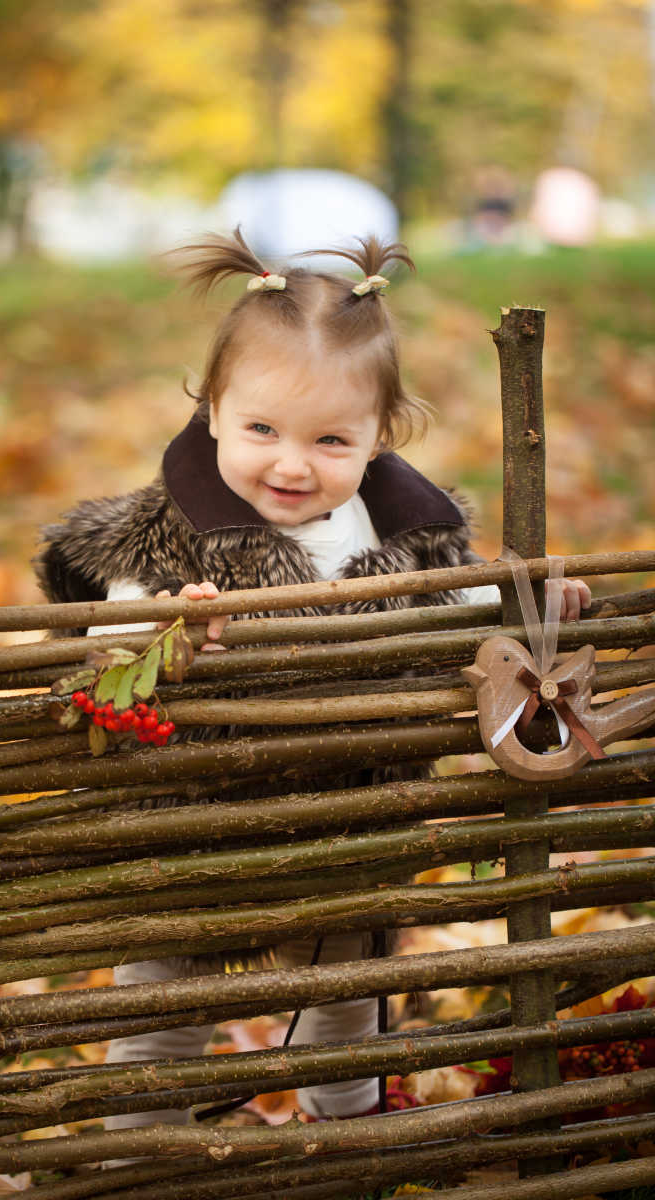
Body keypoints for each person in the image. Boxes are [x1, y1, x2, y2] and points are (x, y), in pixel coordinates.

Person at [36, 229, 590, 1131]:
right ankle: (132, 1147)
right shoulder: (162, 533)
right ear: (211, 410)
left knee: (345, 995)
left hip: (349, 823)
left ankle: (352, 1130)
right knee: (164, 1003)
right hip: (197, 833)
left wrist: (539, 604)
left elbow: (473, 625)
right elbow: (105, 638)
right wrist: (168, 624)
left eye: (331, 438)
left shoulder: (412, 537)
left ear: (380, 437)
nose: (292, 465)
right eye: (261, 429)